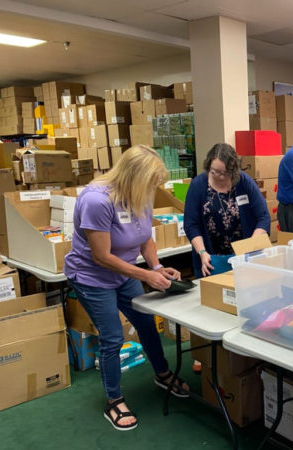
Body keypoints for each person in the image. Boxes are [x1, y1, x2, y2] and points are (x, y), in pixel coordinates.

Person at [64, 145, 189, 432]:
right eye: (152, 182)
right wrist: (145, 275)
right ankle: (114, 400)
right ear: (135, 176)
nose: (155, 188)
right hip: (92, 277)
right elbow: (101, 256)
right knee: (111, 337)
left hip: (124, 274)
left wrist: (156, 268)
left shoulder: (140, 194)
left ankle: (162, 373)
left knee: (146, 322)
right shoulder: (97, 201)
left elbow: (144, 238)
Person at [184, 143, 269, 278]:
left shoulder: (244, 182)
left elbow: (263, 217)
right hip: (210, 260)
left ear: (233, 170)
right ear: (208, 166)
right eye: (215, 172)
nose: (220, 176)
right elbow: (191, 224)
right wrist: (202, 252)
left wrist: (250, 247)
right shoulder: (198, 186)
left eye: (225, 173)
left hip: (243, 257)